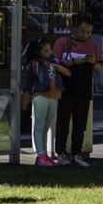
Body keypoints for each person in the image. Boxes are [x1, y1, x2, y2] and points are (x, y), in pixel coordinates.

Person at [52, 16, 103, 167]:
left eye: (88, 32)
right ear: (75, 27)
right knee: (63, 123)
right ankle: (61, 153)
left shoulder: (93, 46)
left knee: (81, 124)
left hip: (84, 89)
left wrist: (92, 61)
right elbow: (55, 63)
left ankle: (77, 154)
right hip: (66, 89)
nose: (85, 35)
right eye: (82, 31)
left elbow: (99, 69)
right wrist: (75, 61)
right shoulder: (62, 42)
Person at [22, 38, 71, 167]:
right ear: (38, 52)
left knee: (46, 126)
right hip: (40, 96)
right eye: (46, 51)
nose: (49, 52)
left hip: (54, 96)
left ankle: (44, 155)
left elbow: (68, 73)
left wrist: (59, 67)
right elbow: (28, 84)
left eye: (50, 49)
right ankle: (40, 155)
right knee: (39, 125)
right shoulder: (34, 64)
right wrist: (25, 101)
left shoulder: (55, 58)